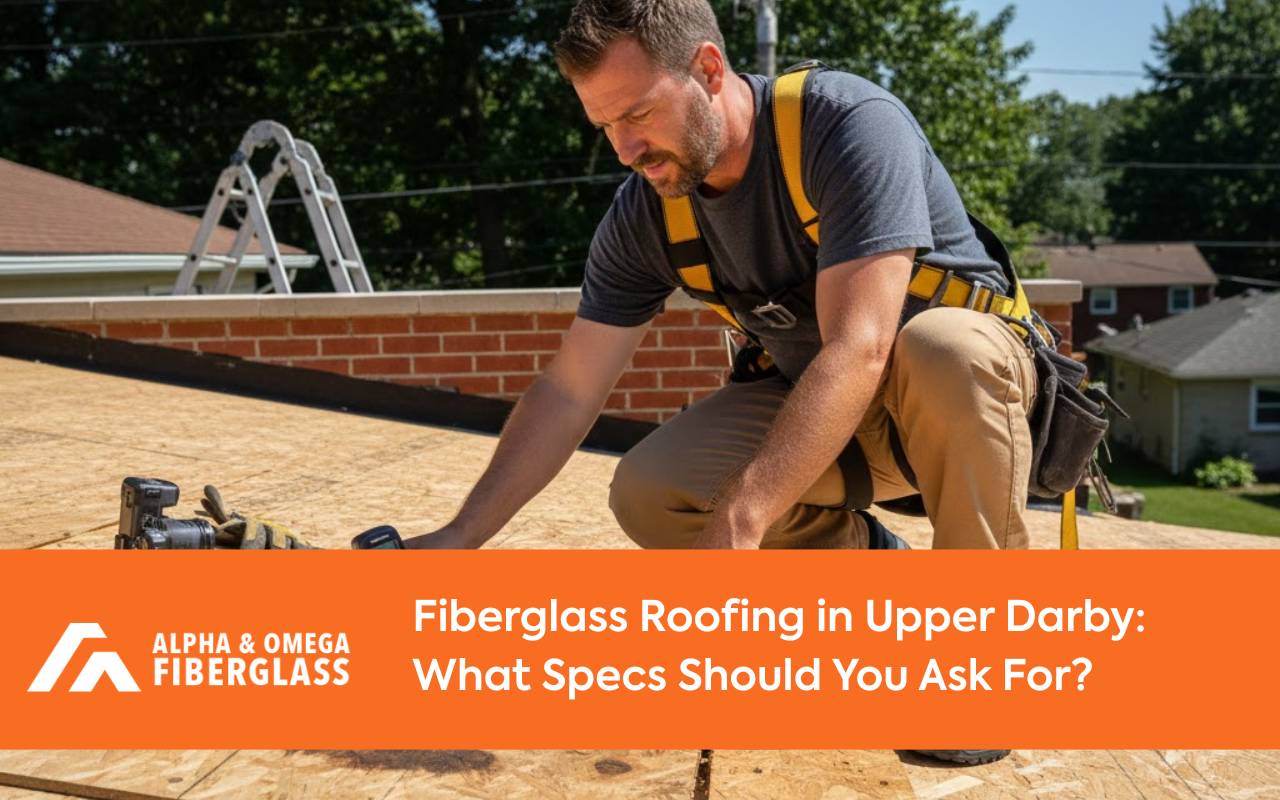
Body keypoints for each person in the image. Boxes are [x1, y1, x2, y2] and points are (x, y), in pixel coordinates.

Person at [407, 0, 1038, 764]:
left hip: (964, 401)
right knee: (652, 490)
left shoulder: (844, 126)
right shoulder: (648, 214)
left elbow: (860, 347)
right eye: (605, 126)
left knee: (944, 348)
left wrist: (740, 525)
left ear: (708, 69)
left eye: (638, 113)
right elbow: (569, 390)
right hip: (835, 419)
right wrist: (459, 538)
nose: (626, 149)